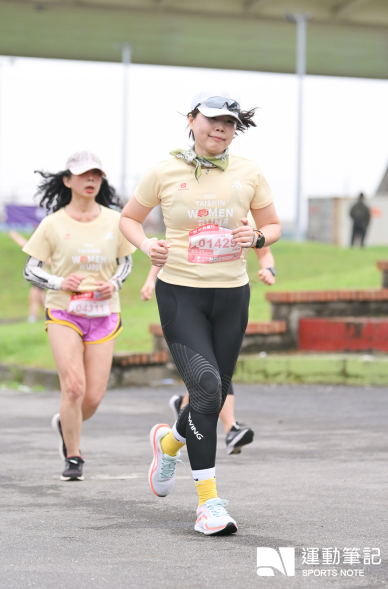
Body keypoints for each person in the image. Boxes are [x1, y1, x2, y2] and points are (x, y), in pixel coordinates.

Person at [120, 90, 281, 535]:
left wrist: (259, 239)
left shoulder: (249, 171)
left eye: (229, 123)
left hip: (232, 295)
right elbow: (129, 218)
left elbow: (272, 225)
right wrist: (146, 245)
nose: (221, 129)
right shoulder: (164, 170)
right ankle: (208, 504)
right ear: (192, 120)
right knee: (207, 388)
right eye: (213, 120)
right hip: (181, 293)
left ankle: (169, 442)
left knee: (215, 392)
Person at [22, 151, 135, 481]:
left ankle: (65, 422)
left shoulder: (116, 221)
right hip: (64, 311)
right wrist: (60, 282)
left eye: (96, 174)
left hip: (104, 312)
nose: (91, 180)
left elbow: (126, 262)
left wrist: (113, 284)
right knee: (73, 387)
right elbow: (31, 269)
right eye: (84, 174)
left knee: (93, 397)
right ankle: (74, 456)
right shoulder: (52, 224)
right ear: (67, 180)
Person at [140, 234, 276, 455]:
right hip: (191, 299)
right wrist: (150, 279)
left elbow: (265, 251)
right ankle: (230, 427)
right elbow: (167, 249)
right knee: (211, 373)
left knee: (215, 372)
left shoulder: (247, 220)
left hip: (231, 299)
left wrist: (269, 270)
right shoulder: (196, 215)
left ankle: (183, 410)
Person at [8, 229, 48, 323]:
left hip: (39, 278)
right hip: (39, 277)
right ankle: (52, 317)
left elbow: (23, 244)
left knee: (33, 298)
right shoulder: (39, 247)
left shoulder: (41, 248)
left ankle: (32, 319)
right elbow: (23, 243)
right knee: (42, 300)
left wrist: (13, 234)